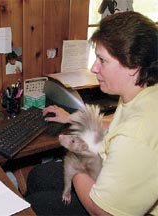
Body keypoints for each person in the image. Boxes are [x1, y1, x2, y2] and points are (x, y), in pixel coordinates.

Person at [25, 11, 158, 216]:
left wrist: (77, 160)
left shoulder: (137, 134)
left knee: (33, 205)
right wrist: (72, 118)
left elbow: (101, 212)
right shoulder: (142, 91)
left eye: (102, 61)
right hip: (107, 168)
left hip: (107, 208)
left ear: (133, 66)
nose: (94, 68)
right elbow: (115, 125)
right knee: (38, 176)